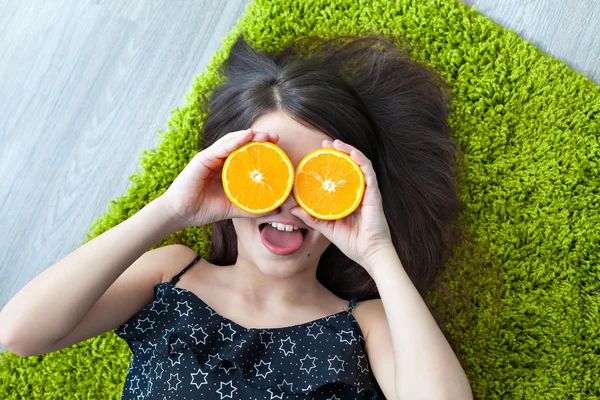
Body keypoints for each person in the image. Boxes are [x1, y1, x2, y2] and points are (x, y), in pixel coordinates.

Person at [0, 33, 473, 399]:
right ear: (226, 171)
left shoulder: (367, 323)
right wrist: (170, 210)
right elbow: (19, 333)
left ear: (351, 191)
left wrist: (377, 250)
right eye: (268, 171)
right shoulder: (173, 272)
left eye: (317, 179)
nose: (286, 201)